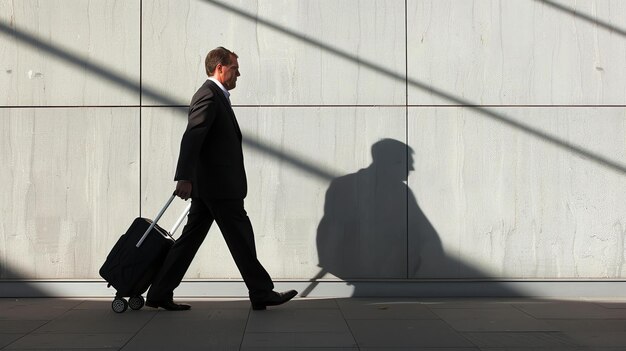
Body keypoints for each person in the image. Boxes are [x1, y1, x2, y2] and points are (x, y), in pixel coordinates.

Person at [146, 47, 297, 311]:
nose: (239, 73)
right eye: (235, 68)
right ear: (220, 68)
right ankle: (261, 292)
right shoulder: (209, 95)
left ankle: (159, 292)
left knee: (190, 240)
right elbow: (193, 135)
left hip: (212, 188)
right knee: (240, 237)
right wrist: (184, 176)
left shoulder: (217, 96)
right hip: (219, 188)